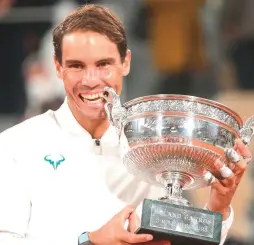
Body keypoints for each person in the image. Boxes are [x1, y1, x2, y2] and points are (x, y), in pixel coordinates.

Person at [0, 4, 252, 245]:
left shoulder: (155, 148)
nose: (91, 80)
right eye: (76, 66)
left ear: (126, 62)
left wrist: (218, 207)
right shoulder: (15, 146)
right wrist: (88, 241)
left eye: (103, 64)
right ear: (58, 67)